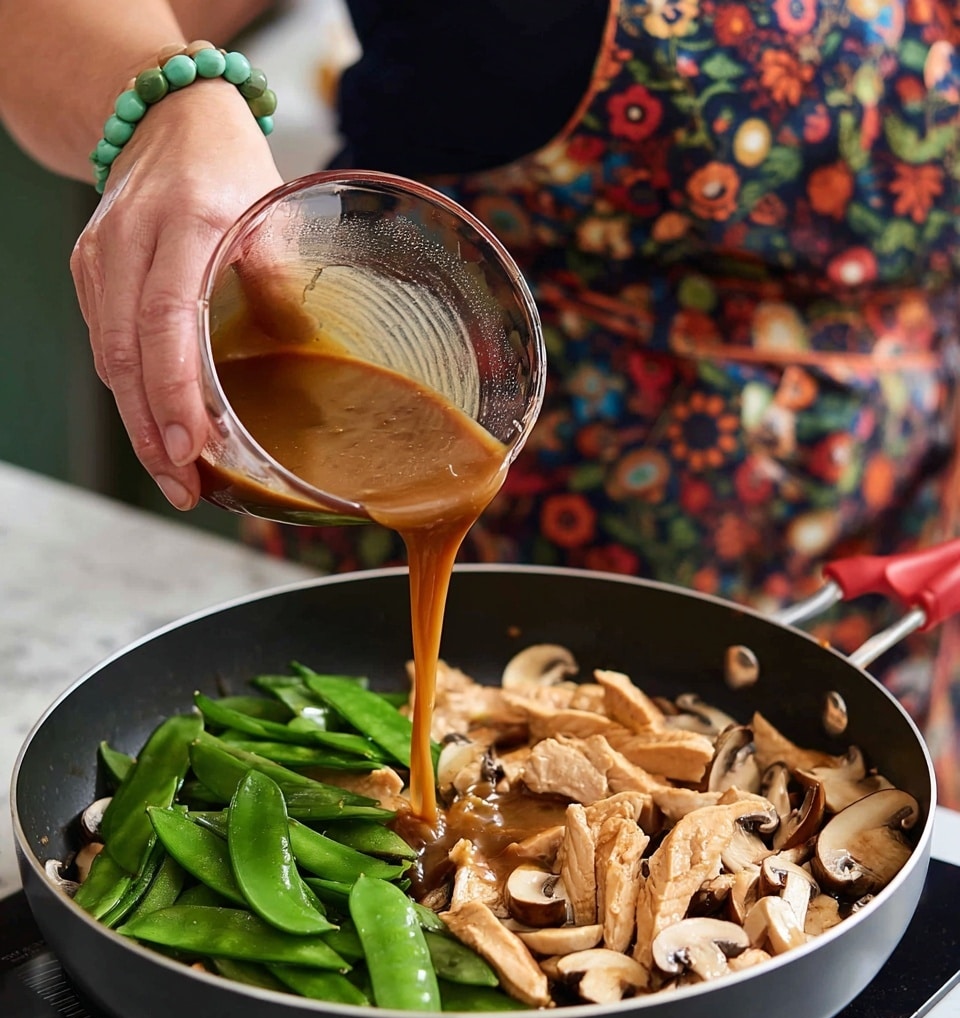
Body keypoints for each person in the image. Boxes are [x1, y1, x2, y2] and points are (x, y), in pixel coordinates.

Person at [1, 0, 958, 805]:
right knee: (352, 763)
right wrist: (172, 103)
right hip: (419, 417)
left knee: (830, 804)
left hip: (884, 538)